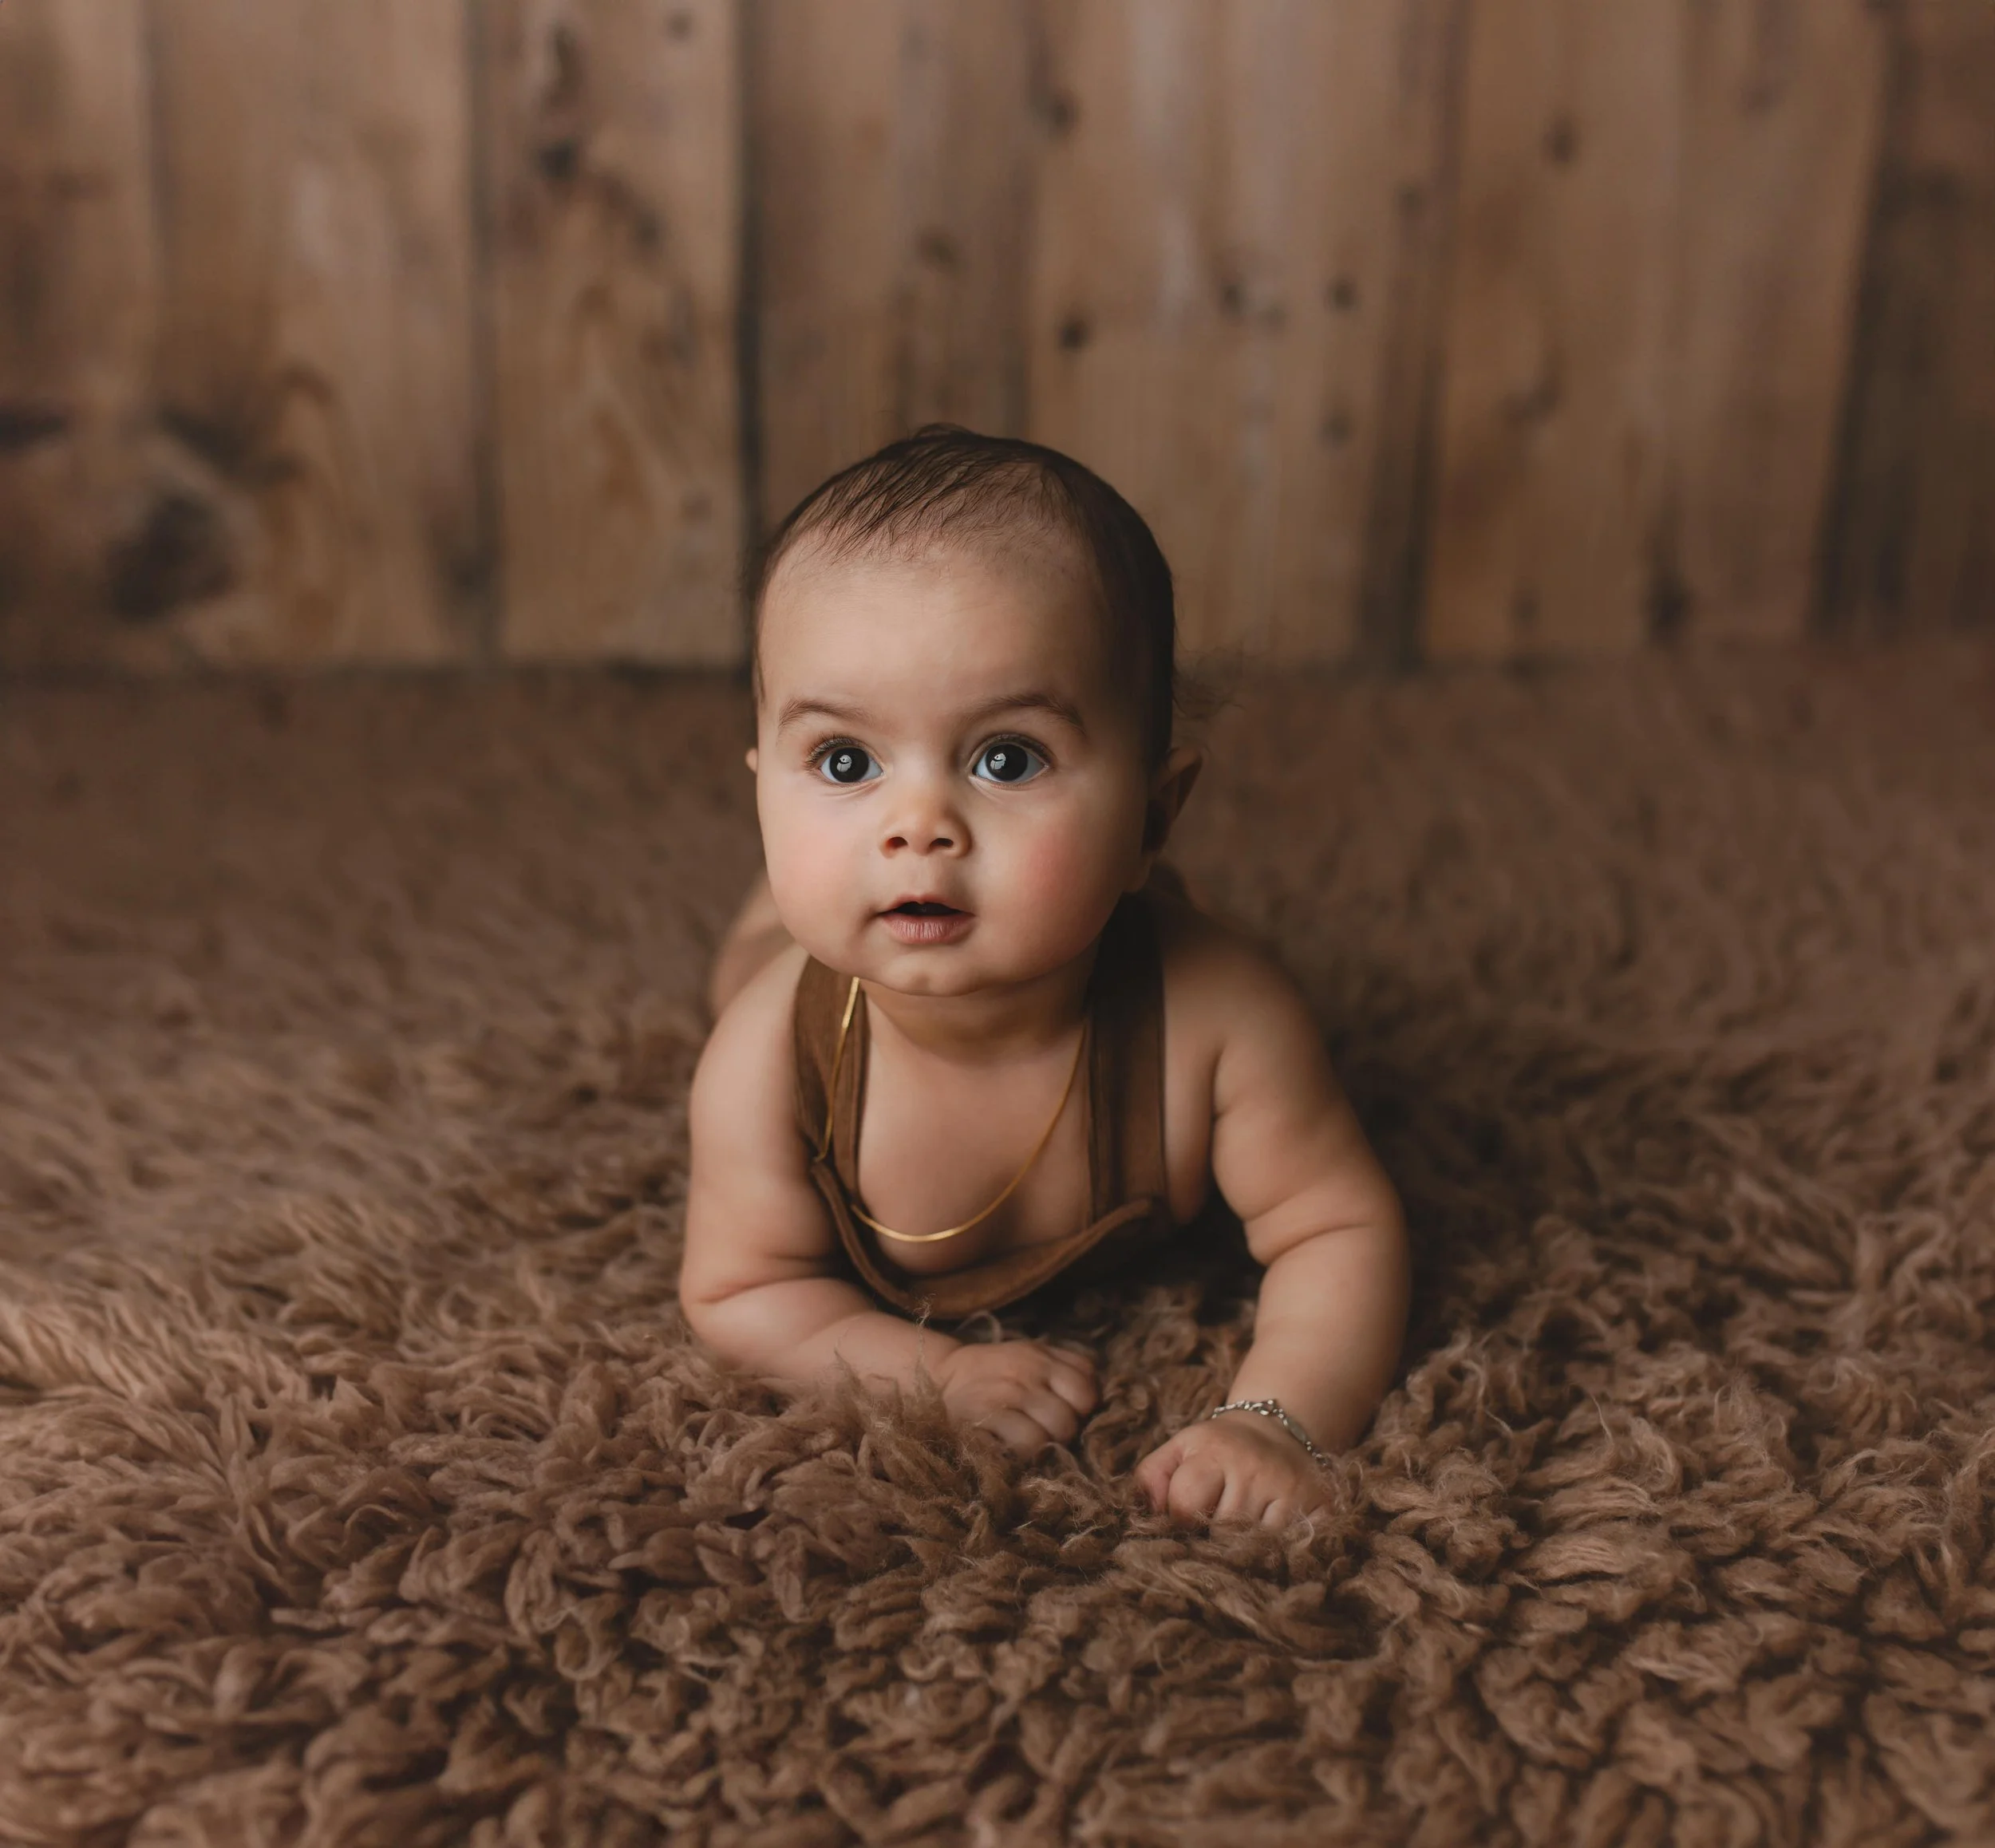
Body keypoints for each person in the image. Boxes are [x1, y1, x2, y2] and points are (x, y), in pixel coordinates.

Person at [680, 426, 1408, 1527]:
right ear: (761, 787)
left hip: (1126, 934)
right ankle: (765, 900)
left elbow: (1338, 1229)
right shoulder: (767, 1060)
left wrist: (1276, 1416)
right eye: (845, 763)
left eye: (1004, 759)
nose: (917, 826)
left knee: (1146, 928)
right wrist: (925, 1372)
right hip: (812, 985)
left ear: (1158, 813)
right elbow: (742, 1291)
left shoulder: (1219, 1021)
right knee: (748, 967)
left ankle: (1060, 858)